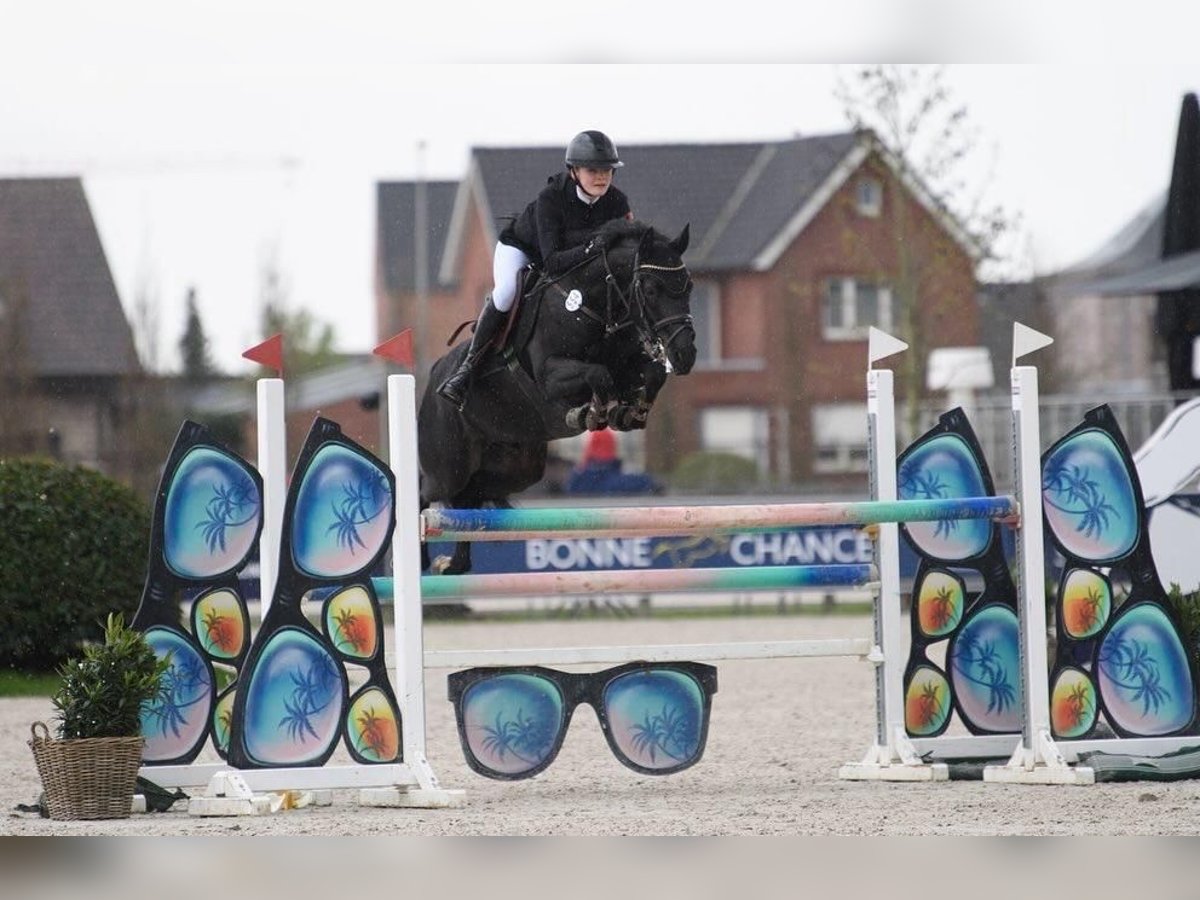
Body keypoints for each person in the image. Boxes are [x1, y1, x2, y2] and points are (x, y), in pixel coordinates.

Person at [436, 129, 634, 408]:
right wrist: (593, 247)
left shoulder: (617, 202)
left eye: (607, 170)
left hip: (575, 260)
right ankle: (466, 370)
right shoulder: (551, 199)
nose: (602, 177)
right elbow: (551, 261)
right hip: (523, 250)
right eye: (593, 170)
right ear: (574, 171)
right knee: (506, 292)